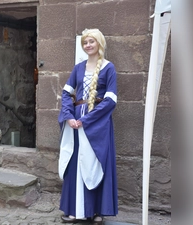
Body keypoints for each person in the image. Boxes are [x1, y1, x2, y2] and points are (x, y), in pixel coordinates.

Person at [57, 28, 118, 224]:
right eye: (85, 42)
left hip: (97, 124)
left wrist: (88, 119)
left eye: (91, 41)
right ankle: (75, 210)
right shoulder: (78, 68)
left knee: (97, 163)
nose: (88, 45)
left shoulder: (109, 68)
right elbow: (67, 94)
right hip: (76, 123)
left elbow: (111, 100)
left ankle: (97, 211)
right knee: (77, 164)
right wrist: (68, 116)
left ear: (99, 43)